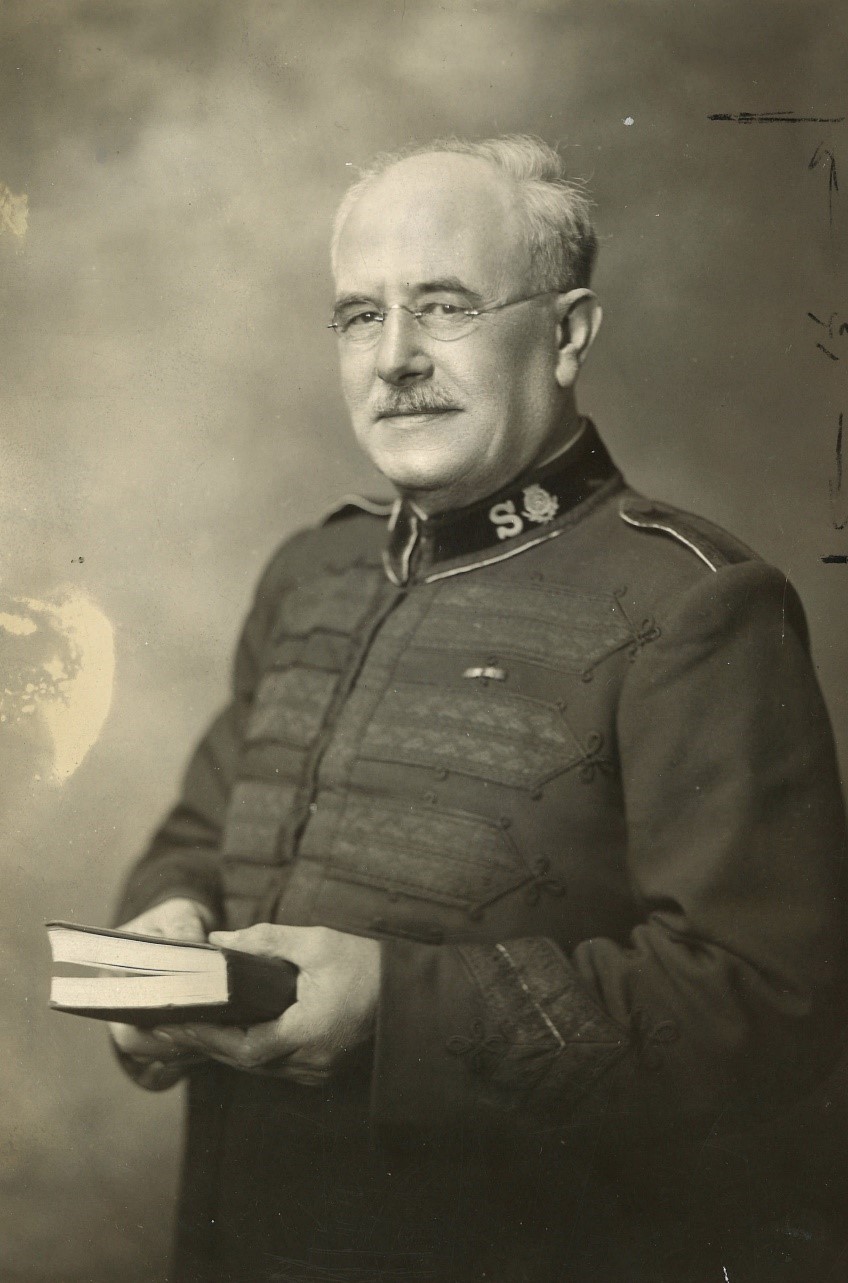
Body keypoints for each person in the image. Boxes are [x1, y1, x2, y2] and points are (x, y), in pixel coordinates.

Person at [111, 135, 848, 1283]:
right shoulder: (311, 573)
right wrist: (167, 918)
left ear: (566, 334)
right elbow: (199, 834)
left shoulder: (694, 604)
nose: (393, 359)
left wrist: (388, 1006)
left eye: (443, 306)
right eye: (359, 315)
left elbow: (762, 1006)